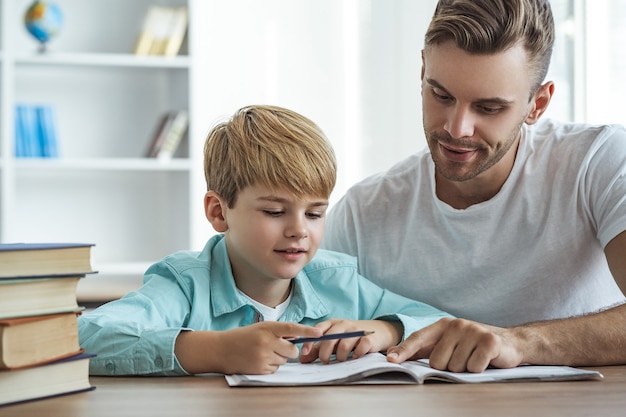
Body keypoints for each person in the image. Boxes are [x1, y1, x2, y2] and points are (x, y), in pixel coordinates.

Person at [322, 0, 626, 373]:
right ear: (422, 72)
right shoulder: (361, 214)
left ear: (538, 104)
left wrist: (519, 341)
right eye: (441, 95)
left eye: (489, 108)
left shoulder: (598, 162)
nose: (456, 128)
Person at [78, 105, 452, 376]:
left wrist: (386, 329)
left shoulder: (337, 281)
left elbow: (440, 323)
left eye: (314, 213)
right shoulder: (185, 284)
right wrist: (215, 351)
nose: (299, 230)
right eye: (275, 212)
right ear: (219, 212)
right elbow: (84, 336)